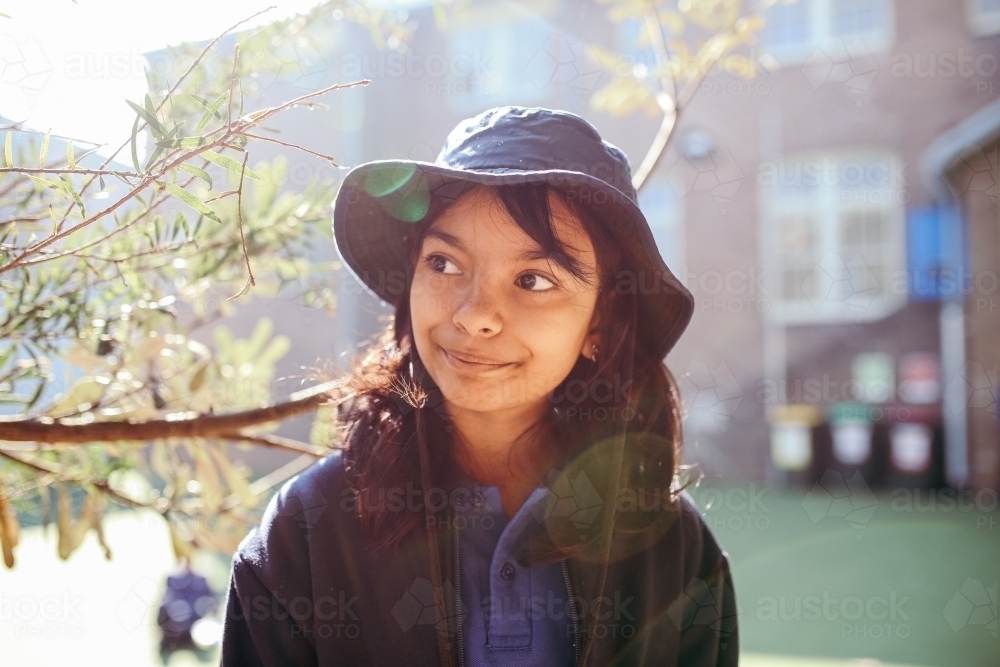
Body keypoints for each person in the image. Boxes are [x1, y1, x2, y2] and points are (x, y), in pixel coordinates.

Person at [220, 106, 739, 666]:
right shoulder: (309, 533)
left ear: (601, 324)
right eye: (443, 263)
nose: (475, 316)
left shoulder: (675, 556)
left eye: (533, 279)